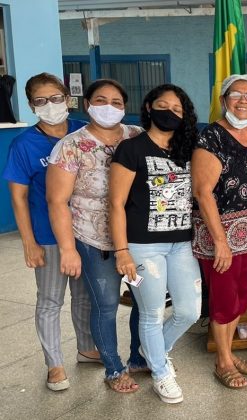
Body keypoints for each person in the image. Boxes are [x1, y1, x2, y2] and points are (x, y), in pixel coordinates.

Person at [46, 78, 148, 393]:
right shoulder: (71, 146)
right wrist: (68, 249)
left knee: (144, 301)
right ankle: (114, 368)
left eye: (117, 102)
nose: (109, 107)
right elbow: (57, 201)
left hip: (138, 239)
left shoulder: (137, 135)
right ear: (87, 104)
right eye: (101, 101)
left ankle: (138, 358)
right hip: (94, 241)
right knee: (106, 305)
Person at [2, 73, 100, 391]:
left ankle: (86, 348)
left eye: (56, 98)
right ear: (32, 106)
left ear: (68, 99)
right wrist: (29, 242)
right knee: (50, 300)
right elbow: (18, 198)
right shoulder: (24, 144)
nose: (51, 105)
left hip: (86, 232)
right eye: (41, 101)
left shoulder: (84, 132)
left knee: (84, 297)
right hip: (48, 236)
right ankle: (54, 364)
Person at [108, 84, 202, 403]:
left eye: (177, 109)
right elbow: (116, 203)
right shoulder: (131, 149)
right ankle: (161, 373)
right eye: (163, 106)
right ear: (148, 107)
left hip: (181, 243)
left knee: (189, 311)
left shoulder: (186, 148)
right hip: (143, 246)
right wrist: (122, 251)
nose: (170, 112)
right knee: (151, 312)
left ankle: (155, 354)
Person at [192, 74, 247, 389]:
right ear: (224, 100)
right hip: (218, 233)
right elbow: (202, 192)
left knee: (240, 297)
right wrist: (221, 242)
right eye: (235, 94)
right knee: (223, 300)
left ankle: (227, 350)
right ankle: (222, 360)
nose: (243, 100)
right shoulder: (211, 137)